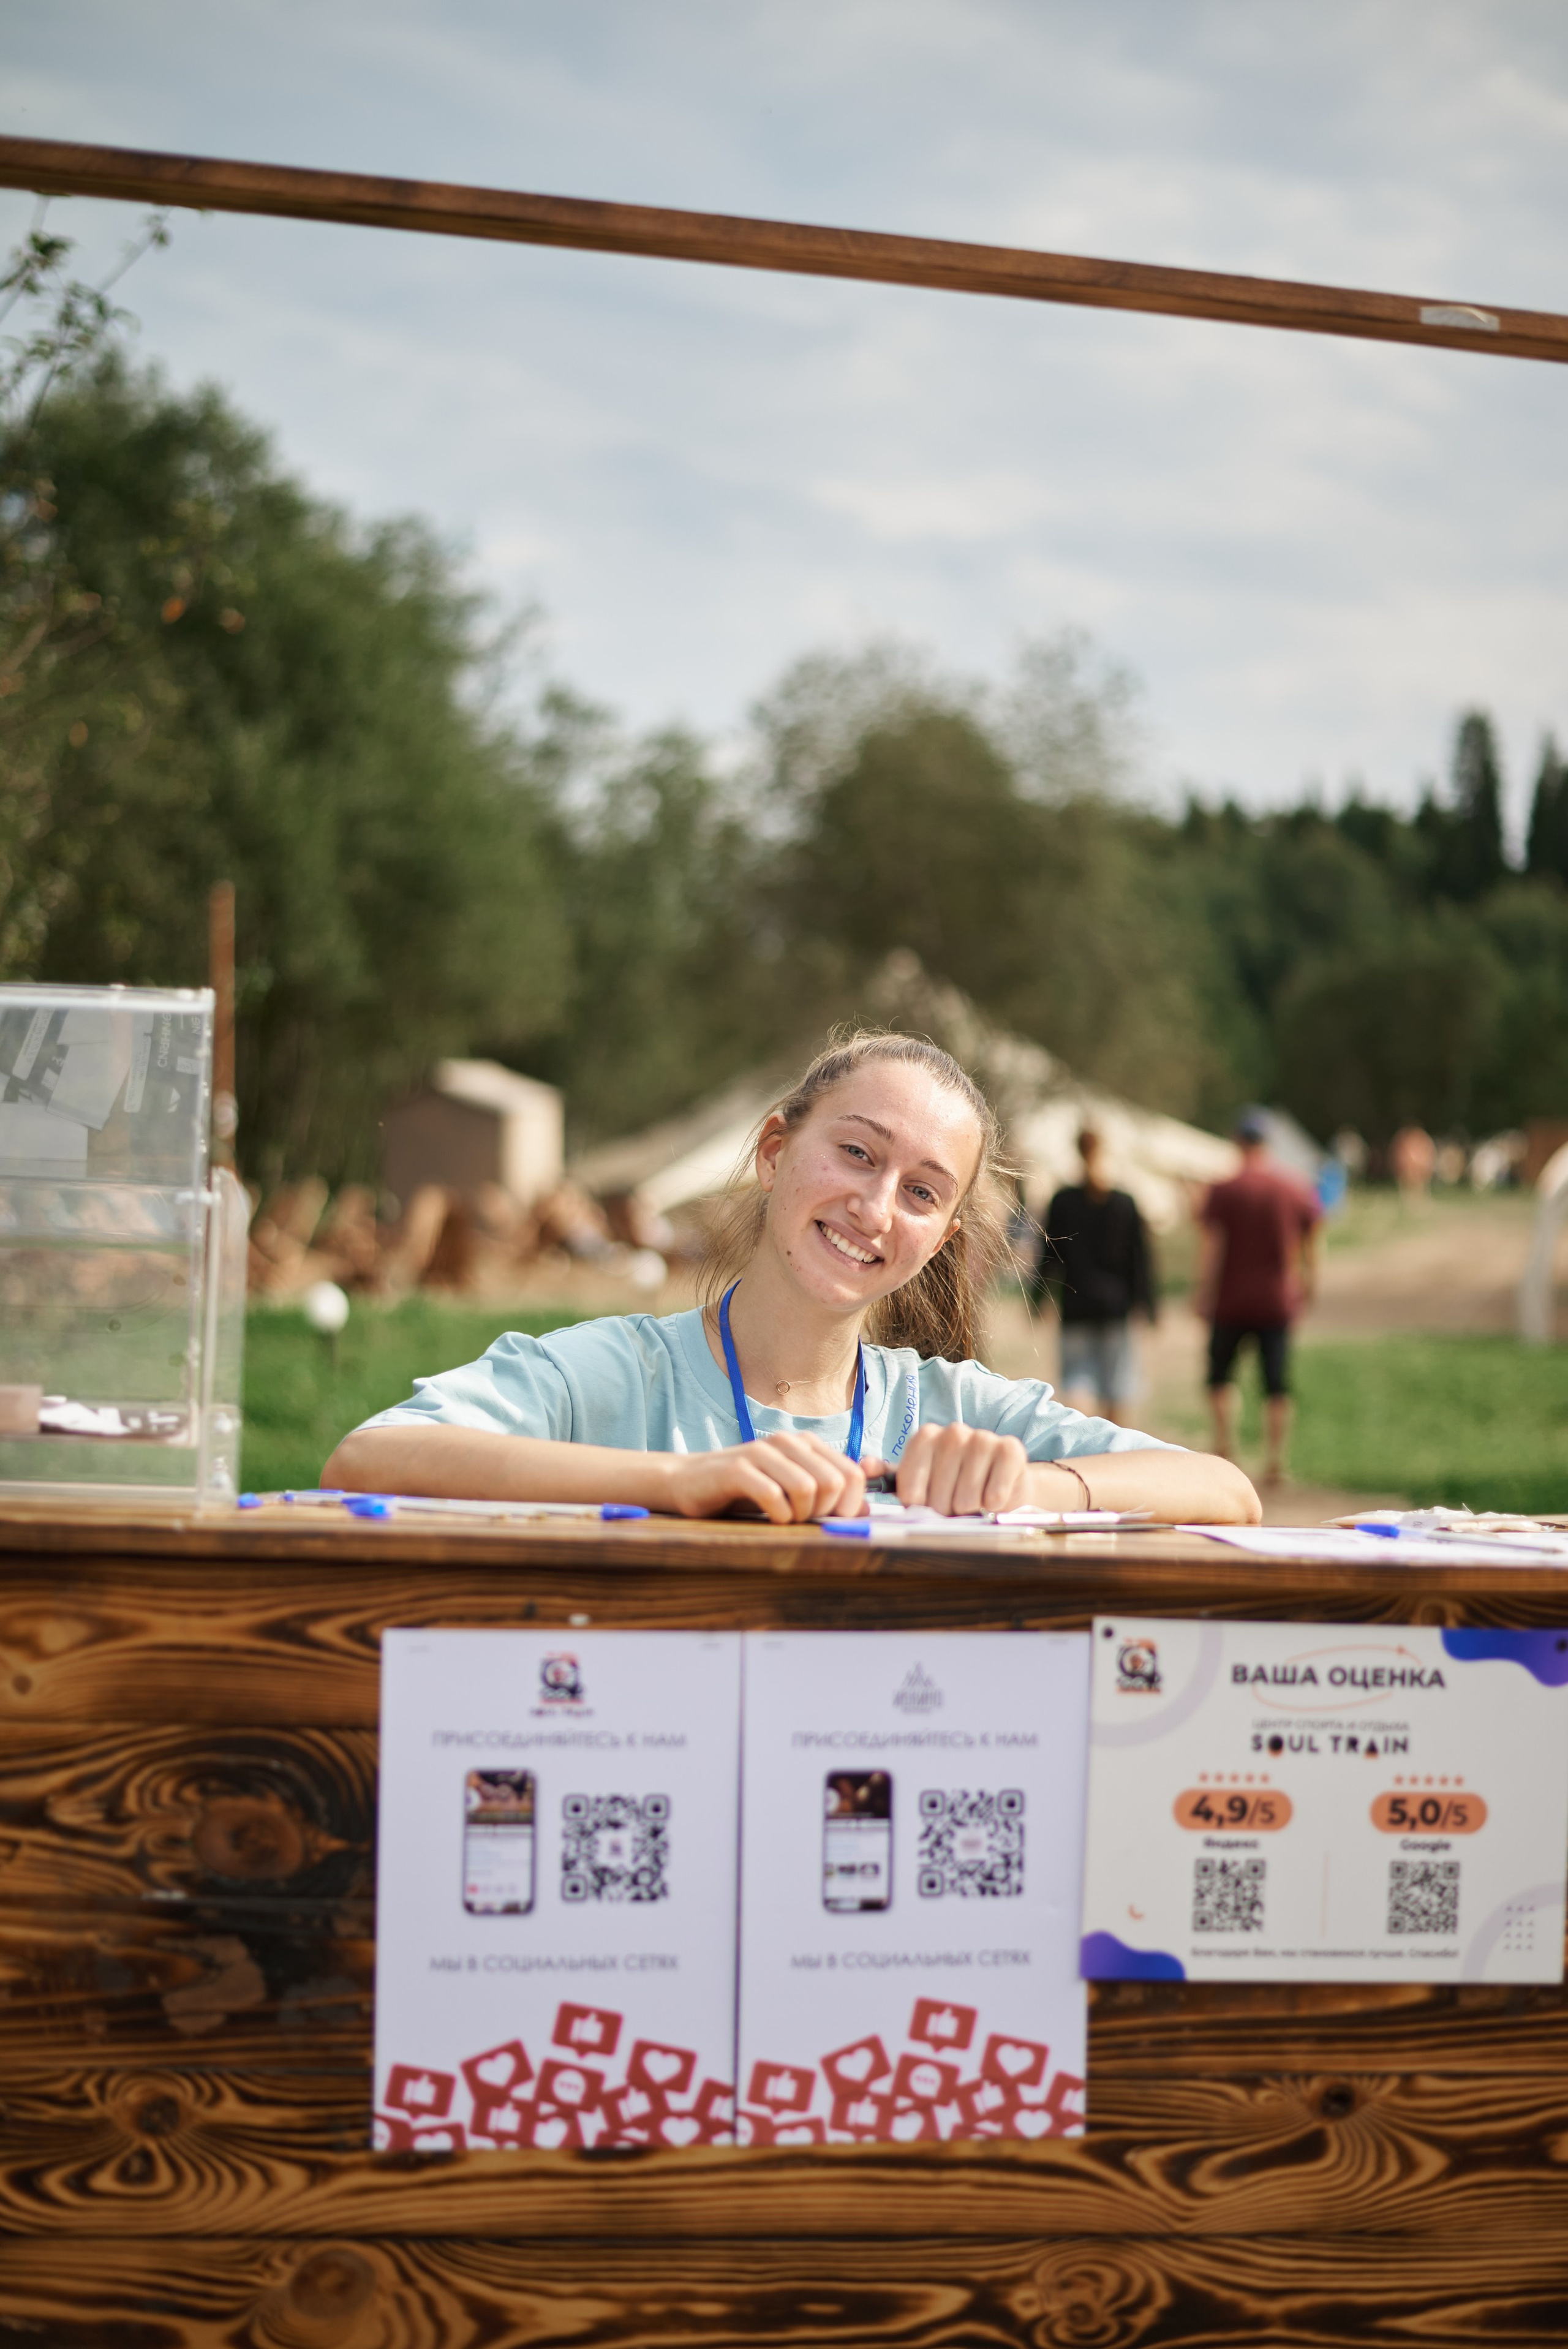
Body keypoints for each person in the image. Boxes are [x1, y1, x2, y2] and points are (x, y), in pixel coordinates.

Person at [326, 1033, 1259, 1526]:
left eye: (923, 1191)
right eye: (856, 1152)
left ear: (940, 1238)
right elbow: (365, 1461)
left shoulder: (949, 1407)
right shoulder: (619, 1372)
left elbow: (1223, 1488)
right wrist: (680, 1481)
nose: (876, 1205)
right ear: (776, 1151)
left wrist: (1028, 1489)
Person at [1197, 1108, 1323, 1487]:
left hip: (1230, 1300)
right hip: (1275, 1300)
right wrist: (1309, 1281)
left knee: (1220, 1376)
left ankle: (1225, 1446)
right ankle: (1274, 1461)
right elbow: (1313, 1236)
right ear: (1267, 1144)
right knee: (1276, 1383)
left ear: (1238, 1142)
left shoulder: (1224, 1189)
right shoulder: (1293, 1187)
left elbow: (1211, 1247)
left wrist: (1202, 1290)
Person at [1034, 1129, 1156, 1427]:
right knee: (1117, 1386)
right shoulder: (1124, 1202)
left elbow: (1048, 1256)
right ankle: (1114, 1456)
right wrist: (1148, 1304)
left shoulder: (1062, 1201)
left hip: (1075, 1304)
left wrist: (1039, 1297)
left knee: (1078, 1382)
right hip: (1116, 1307)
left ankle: (1084, 1449)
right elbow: (1140, 1259)